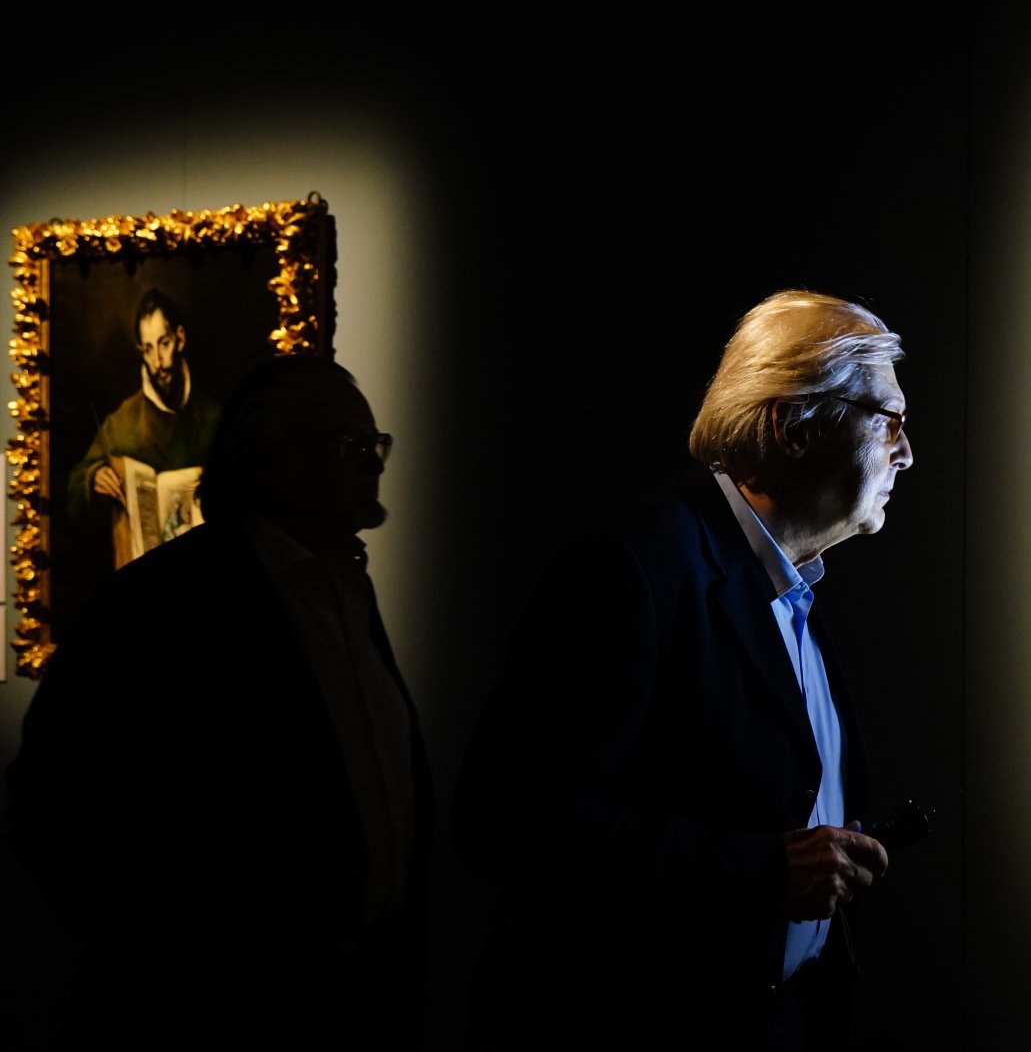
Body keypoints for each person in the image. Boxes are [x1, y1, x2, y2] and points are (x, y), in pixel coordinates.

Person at [451, 289, 914, 1049]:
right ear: (793, 426)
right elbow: (509, 818)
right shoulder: (633, 570)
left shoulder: (792, 581)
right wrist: (762, 873)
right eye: (887, 420)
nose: (906, 450)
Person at [6, 354, 432, 1048]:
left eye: (374, 444)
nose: (372, 463)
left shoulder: (345, 586)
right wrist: (170, 962)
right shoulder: (160, 602)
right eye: (350, 447)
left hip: (352, 1000)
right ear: (273, 458)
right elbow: (50, 809)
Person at [64, 288, 221, 543]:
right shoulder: (122, 422)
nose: (157, 362)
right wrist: (93, 480)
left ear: (180, 339)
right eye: (148, 349)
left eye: (164, 344)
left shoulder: (214, 415)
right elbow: (72, 496)